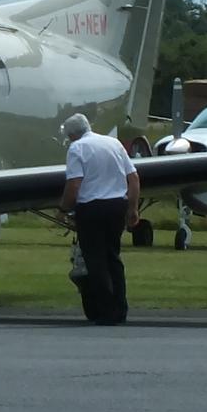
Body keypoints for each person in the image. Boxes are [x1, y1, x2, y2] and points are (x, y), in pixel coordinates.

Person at [58, 113, 140, 325]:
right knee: (113, 257)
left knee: (96, 260)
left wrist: (64, 208)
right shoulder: (113, 144)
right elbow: (133, 178)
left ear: (73, 134)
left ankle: (105, 311)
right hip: (116, 206)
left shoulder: (77, 149)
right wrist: (132, 207)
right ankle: (120, 309)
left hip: (92, 207)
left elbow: (74, 184)